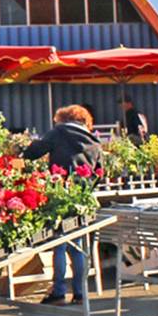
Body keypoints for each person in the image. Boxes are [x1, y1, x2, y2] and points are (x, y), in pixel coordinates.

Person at [25, 105, 101, 303]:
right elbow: (99, 171)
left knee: (59, 244)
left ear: (62, 118)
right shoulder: (94, 140)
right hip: (83, 198)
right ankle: (80, 293)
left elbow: (33, 152)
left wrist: (24, 148)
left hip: (61, 194)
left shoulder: (59, 132)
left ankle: (59, 291)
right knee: (78, 244)